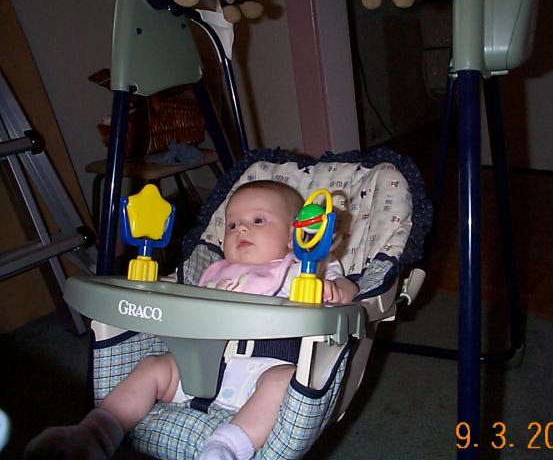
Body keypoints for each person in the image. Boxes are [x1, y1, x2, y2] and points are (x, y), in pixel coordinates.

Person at [25, 180, 358, 460]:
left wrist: (335, 290)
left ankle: (225, 447)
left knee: (283, 382)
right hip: (198, 368)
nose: (241, 228)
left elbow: (350, 288)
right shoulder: (215, 270)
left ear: (294, 235)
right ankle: (95, 433)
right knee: (155, 366)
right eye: (232, 224)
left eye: (258, 220)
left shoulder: (302, 268)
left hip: (263, 371)